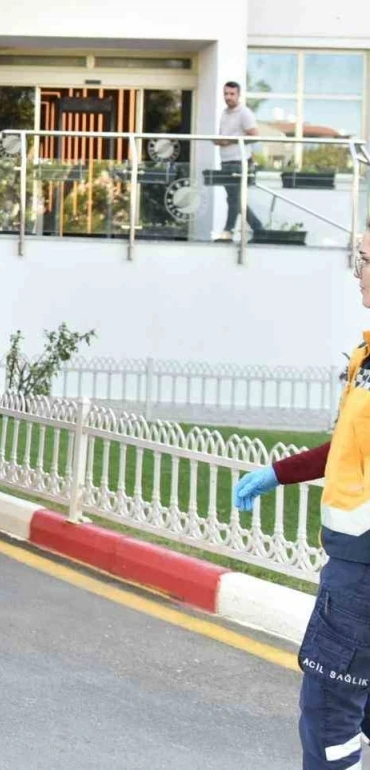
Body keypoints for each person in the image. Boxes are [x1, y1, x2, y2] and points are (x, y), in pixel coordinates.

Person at [234, 225, 370, 769]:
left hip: (361, 570)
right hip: (354, 561)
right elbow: (348, 447)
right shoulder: (366, 356)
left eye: (364, 259)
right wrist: (277, 472)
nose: (357, 273)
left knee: (329, 718)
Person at [215, 80, 265, 241]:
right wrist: (218, 140)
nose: (228, 97)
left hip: (238, 161)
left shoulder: (244, 113)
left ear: (238, 95)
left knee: (234, 199)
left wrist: (229, 141)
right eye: (226, 94)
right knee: (235, 199)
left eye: (232, 94)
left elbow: (254, 136)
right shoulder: (224, 113)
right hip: (225, 160)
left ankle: (227, 232)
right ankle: (259, 229)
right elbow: (225, 135)